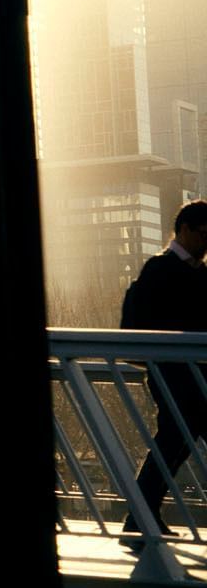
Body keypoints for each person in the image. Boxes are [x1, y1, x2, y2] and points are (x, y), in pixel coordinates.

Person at [120, 200, 207, 544]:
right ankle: (141, 512)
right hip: (175, 372)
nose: (206, 242)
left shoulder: (190, 271)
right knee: (176, 437)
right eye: (203, 234)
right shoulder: (161, 270)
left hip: (185, 372)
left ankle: (140, 513)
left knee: (175, 438)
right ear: (183, 230)